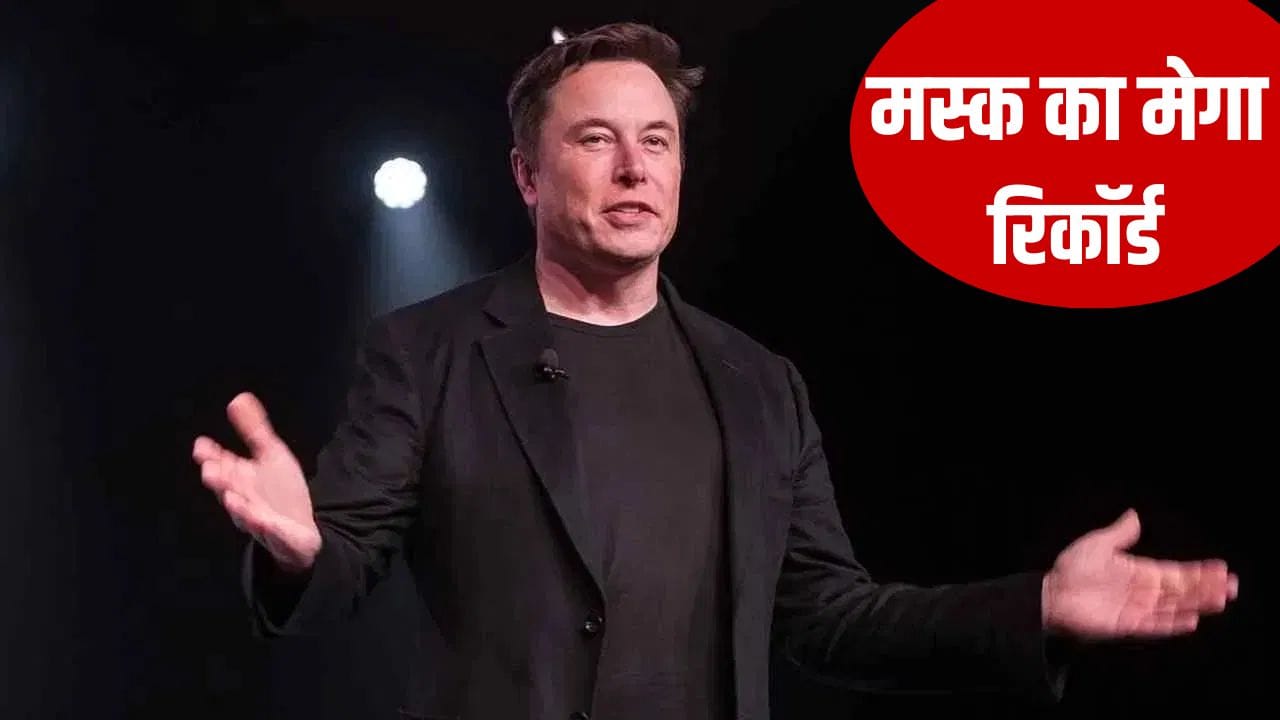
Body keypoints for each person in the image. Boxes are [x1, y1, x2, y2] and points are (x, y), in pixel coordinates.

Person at [192, 21, 1238, 720]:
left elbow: (829, 617)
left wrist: (1032, 607)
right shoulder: (428, 350)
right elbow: (338, 571)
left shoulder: (758, 383)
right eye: (595, 140)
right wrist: (299, 551)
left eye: (657, 141)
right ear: (526, 175)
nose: (634, 168)